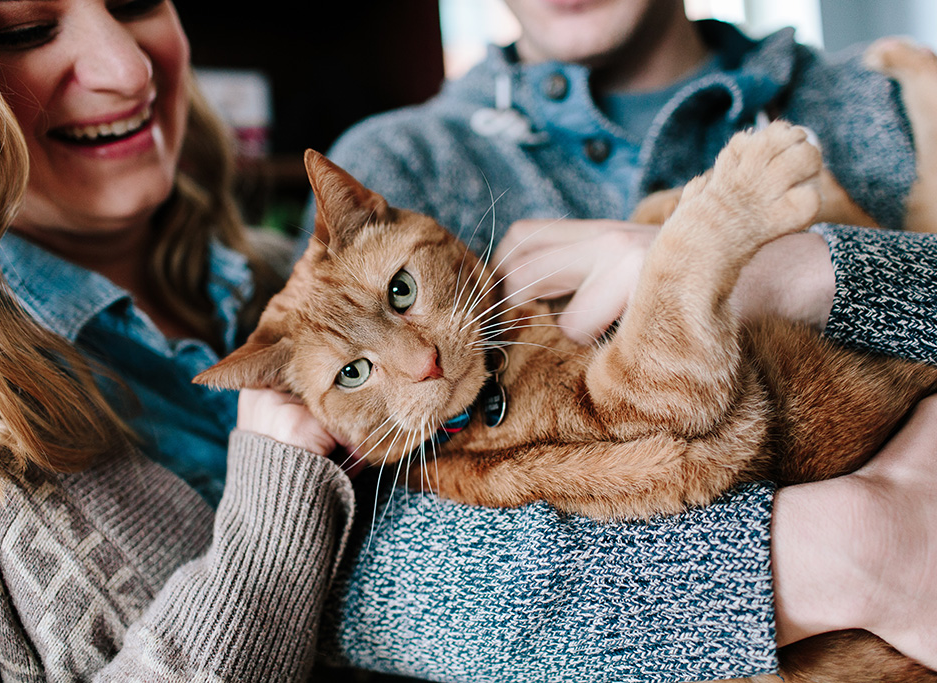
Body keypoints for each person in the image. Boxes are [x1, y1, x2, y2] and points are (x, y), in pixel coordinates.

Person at [303, 0, 937, 680]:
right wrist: (853, 550)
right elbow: (359, 589)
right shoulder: (404, 161)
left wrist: (793, 275)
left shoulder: (884, 101)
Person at [0, 0, 353, 679]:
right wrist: (269, 534)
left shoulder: (290, 272)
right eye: (23, 31)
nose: (129, 69)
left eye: (137, 1)